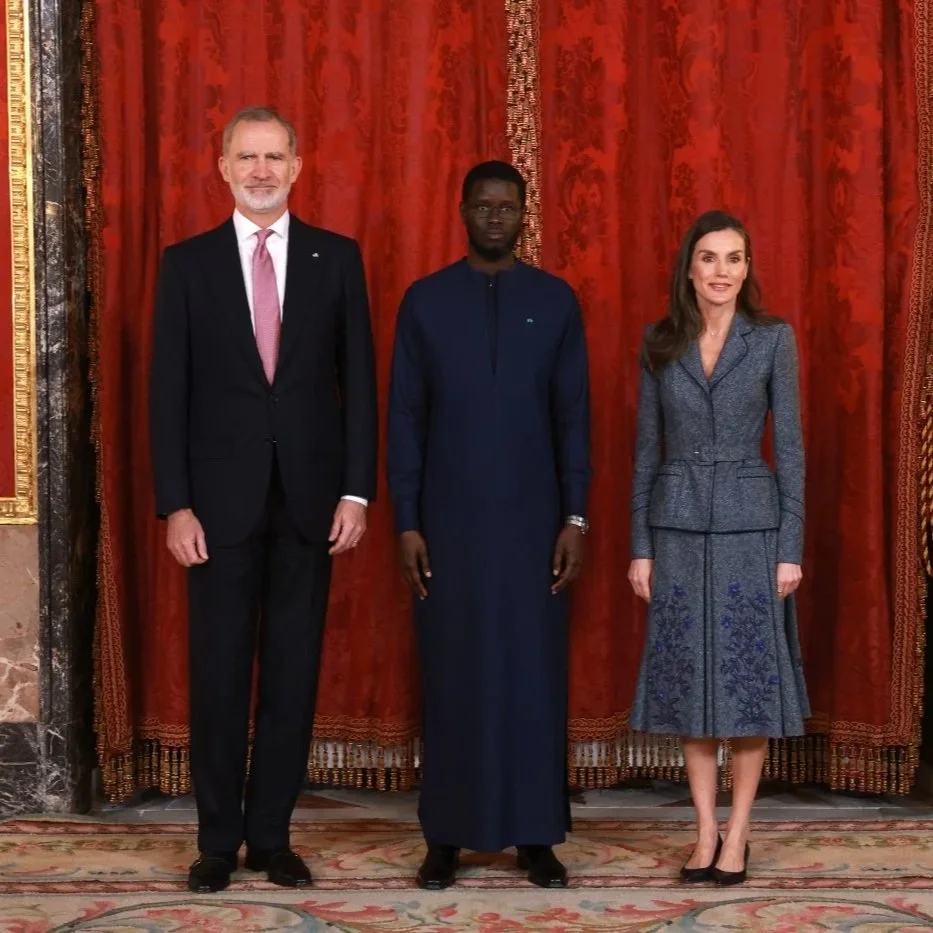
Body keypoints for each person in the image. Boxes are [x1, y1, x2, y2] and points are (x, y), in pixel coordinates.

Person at [149, 106, 377, 893]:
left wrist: (356, 490)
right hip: (215, 509)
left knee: (292, 672)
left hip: (311, 502)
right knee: (218, 673)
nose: (260, 171)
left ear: (297, 166)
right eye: (246, 157)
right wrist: (176, 503)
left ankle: (272, 837)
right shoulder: (187, 264)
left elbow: (359, 384)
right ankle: (217, 840)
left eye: (274, 157)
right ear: (222, 167)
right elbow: (167, 393)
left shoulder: (336, 258)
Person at [386, 161, 592, 890]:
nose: (496, 217)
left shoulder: (555, 300)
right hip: (448, 525)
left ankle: (536, 835)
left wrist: (575, 516)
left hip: (536, 527)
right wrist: (407, 522)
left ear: (524, 212)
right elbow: (404, 418)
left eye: (508, 206)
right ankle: (445, 837)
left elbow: (573, 417)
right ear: (463, 211)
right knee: (453, 675)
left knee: (533, 677)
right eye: (483, 205)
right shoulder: (425, 301)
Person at [627, 210, 809, 886]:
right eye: (708, 258)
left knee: (746, 684)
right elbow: (645, 453)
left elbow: (790, 449)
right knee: (690, 687)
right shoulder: (660, 342)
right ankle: (704, 830)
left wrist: (789, 546)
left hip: (750, 530)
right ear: (689, 268)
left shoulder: (772, 339)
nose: (721, 271)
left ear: (747, 267)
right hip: (675, 529)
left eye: (733, 258)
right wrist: (640, 545)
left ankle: (739, 832)